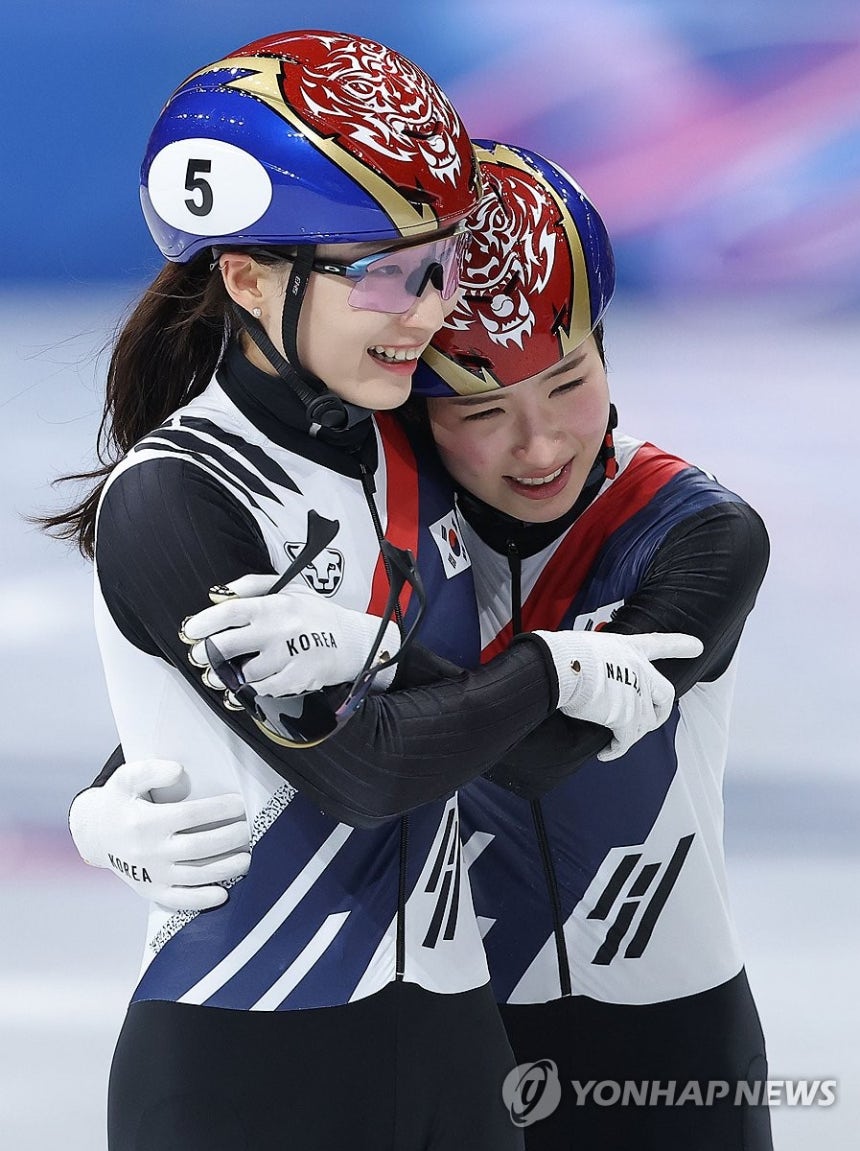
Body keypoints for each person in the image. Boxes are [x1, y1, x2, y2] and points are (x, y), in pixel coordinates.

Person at [49, 34, 698, 1151]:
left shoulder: (417, 445)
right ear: (247, 276)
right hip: (244, 1047)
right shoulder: (175, 498)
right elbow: (362, 769)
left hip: (457, 1042)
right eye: (383, 274)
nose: (425, 312)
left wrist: (408, 665)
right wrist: (546, 669)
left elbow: (517, 750)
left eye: (437, 264)